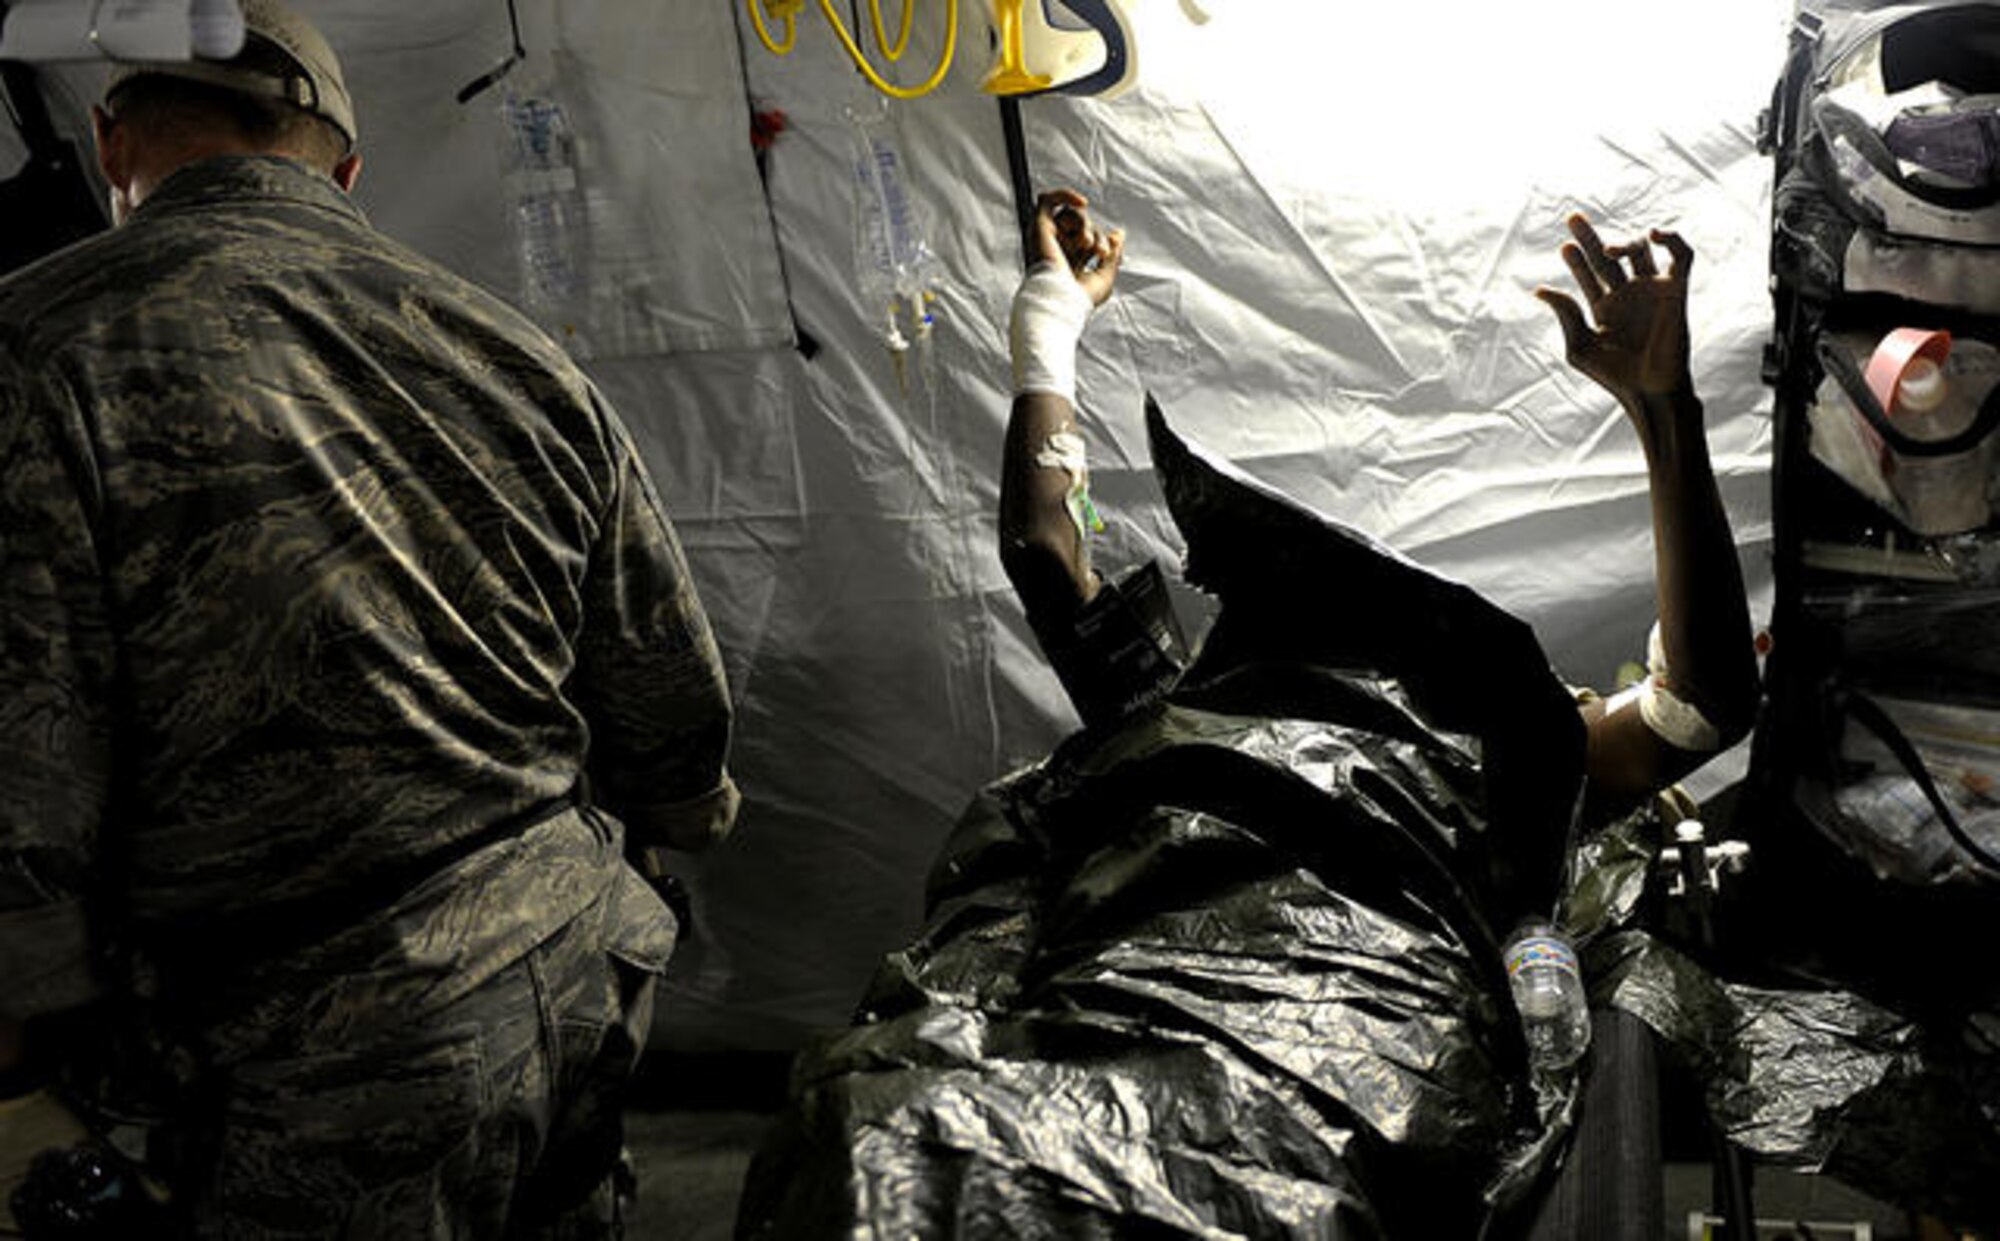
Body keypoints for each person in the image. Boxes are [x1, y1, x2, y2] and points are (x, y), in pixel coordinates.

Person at [0, 2, 739, 1236]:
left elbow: (21, 746)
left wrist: (18, 1070)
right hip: (570, 968)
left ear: (111, 143)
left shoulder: (35, 346)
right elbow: (669, 703)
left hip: (294, 1048)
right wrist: (656, 840)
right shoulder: (512, 351)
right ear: (346, 169)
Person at [1000, 188, 1758, 814]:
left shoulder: (1182, 724)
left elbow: (1045, 554)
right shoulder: (1496, 755)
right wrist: (1663, 410)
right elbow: (1700, 708)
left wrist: (1051, 320)